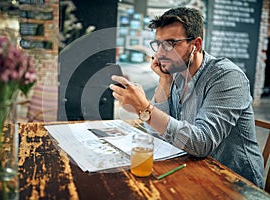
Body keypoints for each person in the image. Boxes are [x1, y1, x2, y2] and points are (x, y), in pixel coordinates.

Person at [109, 7, 264, 188]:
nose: (159, 54)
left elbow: (201, 143)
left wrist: (145, 109)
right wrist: (164, 80)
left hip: (235, 183)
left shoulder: (227, 77)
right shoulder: (175, 74)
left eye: (170, 43)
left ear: (196, 45)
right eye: (158, 44)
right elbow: (156, 132)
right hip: (193, 171)